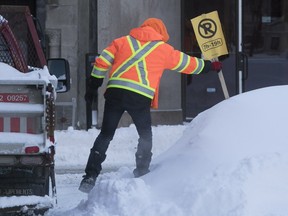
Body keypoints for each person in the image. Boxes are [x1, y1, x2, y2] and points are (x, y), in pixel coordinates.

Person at [79, 18, 222, 193]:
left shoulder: (122, 41)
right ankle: (141, 171)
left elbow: (102, 62)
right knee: (145, 135)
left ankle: (89, 177)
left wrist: (93, 86)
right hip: (140, 97)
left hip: (115, 93)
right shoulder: (164, 49)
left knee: (106, 135)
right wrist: (211, 66)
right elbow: (189, 64)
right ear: (160, 32)